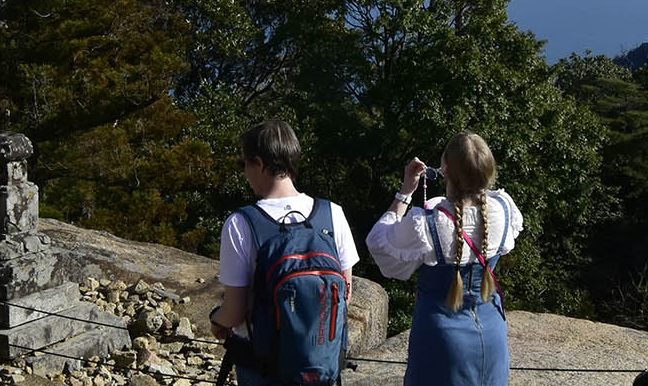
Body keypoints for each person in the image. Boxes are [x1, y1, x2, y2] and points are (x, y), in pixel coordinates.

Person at [367, 131, 524, 386]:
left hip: (441, 341)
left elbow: (379, 245)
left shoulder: (428, 223)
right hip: (492, 333)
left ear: (445, 170)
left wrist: (405, 192)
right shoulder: (504, 208)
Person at [210, 119, 359, 385]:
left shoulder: (241, 223)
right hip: (322, 367)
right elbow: (344, 294)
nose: (243, 171)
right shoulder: (333, 213)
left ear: (259, 163)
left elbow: (234, 312)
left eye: (243, 163)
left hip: (264, 370)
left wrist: (216, 319)